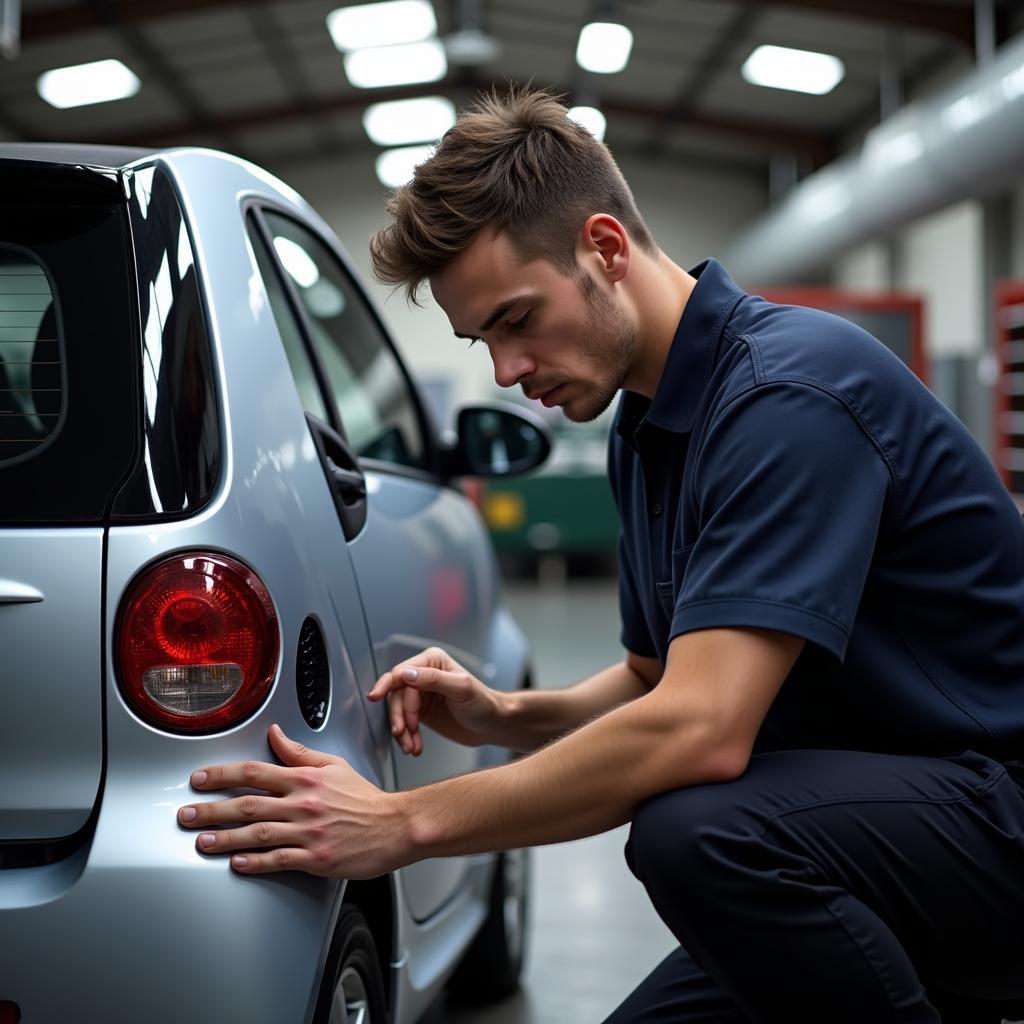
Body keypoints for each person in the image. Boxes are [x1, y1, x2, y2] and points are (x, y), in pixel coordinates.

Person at [176, 87, 1024, 1022]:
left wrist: (401, 824)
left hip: (996, 826)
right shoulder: (645, 425)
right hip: (882, 835)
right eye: (479, 339)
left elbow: (698, 728)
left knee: (697, 830)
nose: (505, 371)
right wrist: (502, 714)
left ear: (605, 249)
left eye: (516, 320)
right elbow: (652, 680)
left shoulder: (792, 396)